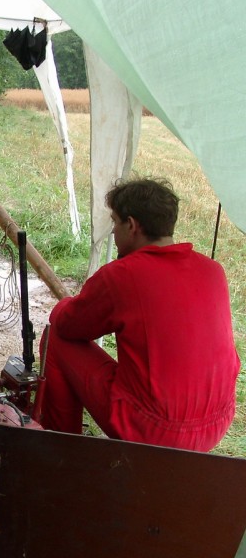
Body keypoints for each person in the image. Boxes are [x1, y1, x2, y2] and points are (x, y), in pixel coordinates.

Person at [37, 177, 240, 452]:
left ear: (131, 226)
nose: (113, 233)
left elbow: (69, 324)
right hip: (215, 423)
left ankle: (62, 450)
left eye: (115, 223)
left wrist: (64, 305)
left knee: (56, 338)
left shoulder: (123, 275)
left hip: (153, 430)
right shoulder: (213, 270)